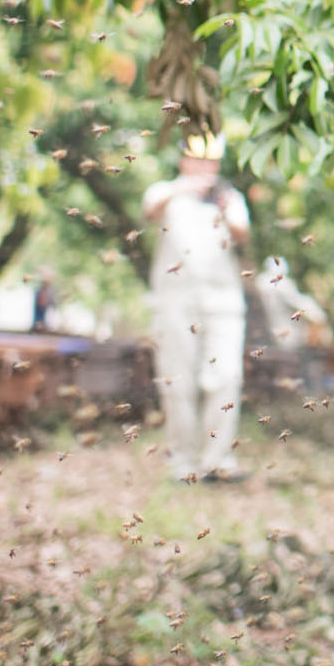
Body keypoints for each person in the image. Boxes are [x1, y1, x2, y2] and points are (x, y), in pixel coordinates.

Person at [141, 132, 251, 483]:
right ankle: (182, 462)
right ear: (184, 160)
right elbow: (149, 209)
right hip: (176, 299)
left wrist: (221, 206)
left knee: (226, 378)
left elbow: (242, 233)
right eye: (198, 160)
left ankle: (218, 461)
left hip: (222, 299)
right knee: (177, 379)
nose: (205, 168)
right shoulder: (166, 191)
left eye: (211, 162)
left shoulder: (229, 197)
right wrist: (184, 188)